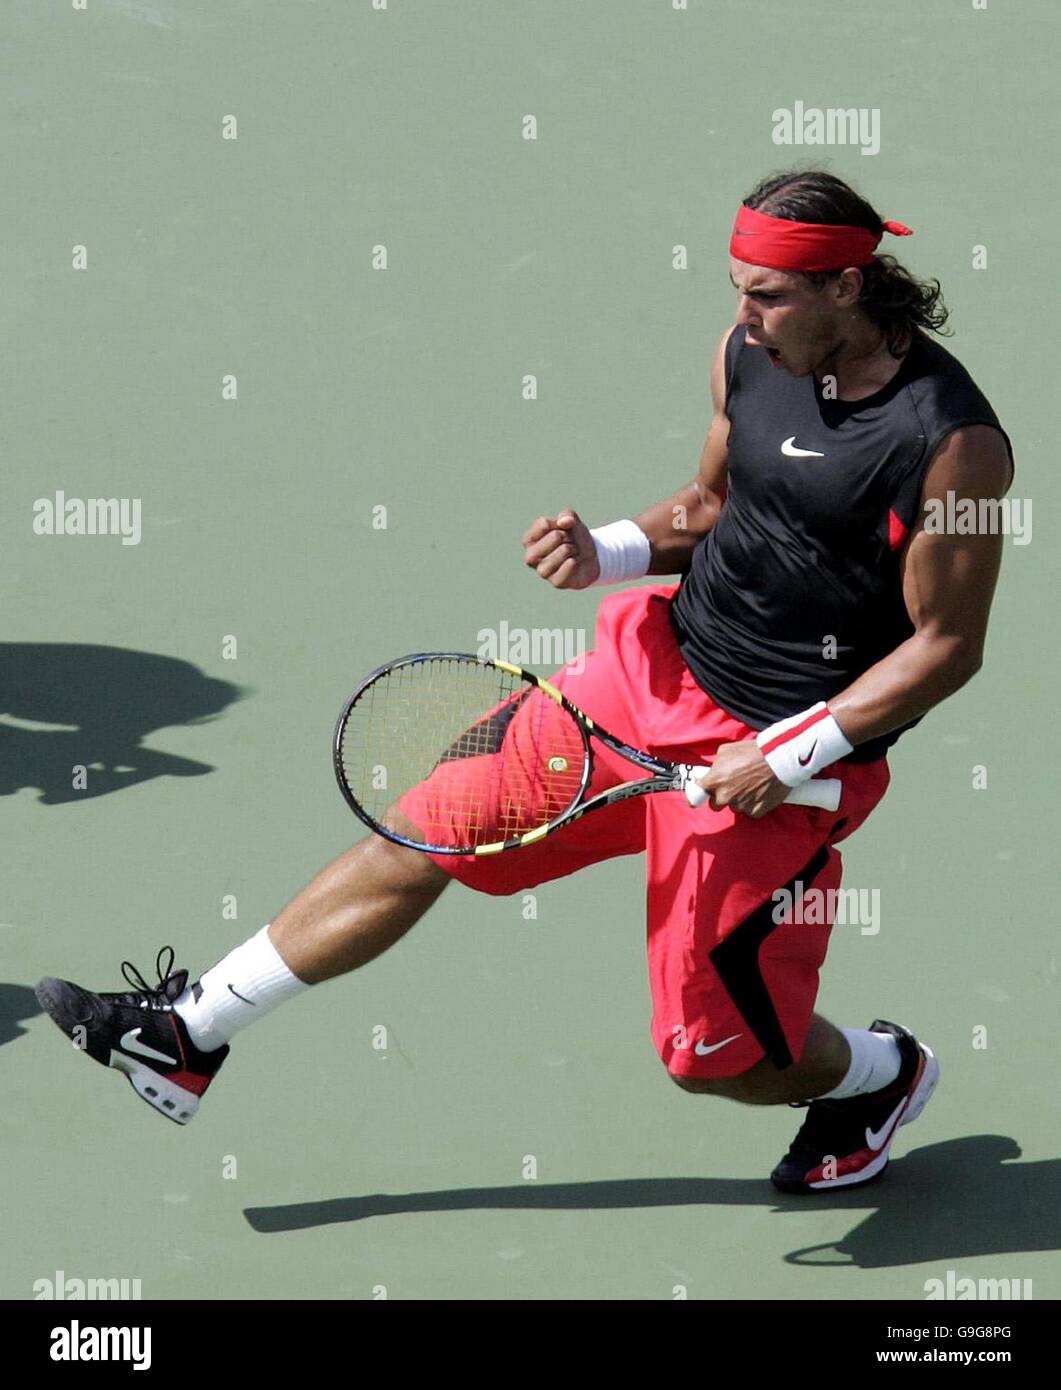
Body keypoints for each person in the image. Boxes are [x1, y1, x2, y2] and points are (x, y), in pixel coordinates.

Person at [36, 170, 1014, 1193]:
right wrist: (612, 550)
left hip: (775, 751)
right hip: (647, 675)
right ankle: (191, 1034)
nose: (741, 316)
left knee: (710, 1057)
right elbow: (711, 503)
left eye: (765, 293)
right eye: (736, 289)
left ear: (846, 288)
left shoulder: (953, 446)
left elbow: (947, 643)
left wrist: (788, 752)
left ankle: (874, 1075)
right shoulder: (746, 355)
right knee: (422, 831)